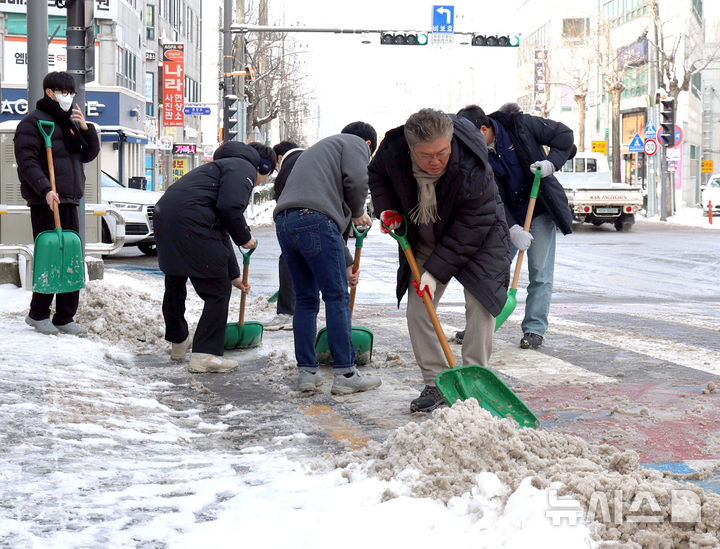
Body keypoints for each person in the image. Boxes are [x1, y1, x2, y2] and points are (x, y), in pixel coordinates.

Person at [368, 108, 511, 413]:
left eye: (442, 153)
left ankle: (475, 378)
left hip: (479, 238)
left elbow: (472, 226)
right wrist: (386, 208)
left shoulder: (473, 165)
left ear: (450, 143)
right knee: (419, 309)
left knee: (481, 304)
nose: (435, 161)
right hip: (423, 235)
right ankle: (435, 383)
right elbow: (377, 176)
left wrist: (434, 273)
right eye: (426, 155)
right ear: (410, 149)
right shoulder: (392, 151)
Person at [274, 122, 382, 395]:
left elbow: (326, 217)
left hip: (285, 222)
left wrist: (345, 262)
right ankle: (346, 373)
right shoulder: (356, 144)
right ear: (369, 145)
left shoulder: (320, 152)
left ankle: (307, 374)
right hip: (315, 220)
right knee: (336, 297)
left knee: (306, 299)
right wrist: (359, 210)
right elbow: (356, 183)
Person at [456, 104, 575, 350]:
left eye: (471, 136)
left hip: (539, 208)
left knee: (540, 272)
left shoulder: (520, 126)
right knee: (491, 271)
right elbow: (491, 195)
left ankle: (534, 329)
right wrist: (511, 228)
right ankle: (479, 326)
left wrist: (551, 163)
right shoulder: (475, 155)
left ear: (484, 128)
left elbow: (565, 137)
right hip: (506, 216)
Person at [154, 140, 277, 373]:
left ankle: (178, 343)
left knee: (175, 280)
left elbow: (219, 228)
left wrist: (234, 275)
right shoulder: (244, 168)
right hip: (191, 221)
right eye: (268, 174)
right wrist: (244, 237)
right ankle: (205, 355)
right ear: (263, 167)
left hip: (166, 217)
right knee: (217, 290)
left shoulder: (218, 168)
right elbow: (229, 208)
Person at [14, 71, 100, 337]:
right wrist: (45, 189)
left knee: (70, 255)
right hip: (46, 200)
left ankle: (65, 316)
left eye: (72, 93)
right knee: (51, 254)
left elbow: (87, 154)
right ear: (50, 92)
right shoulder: (32, 123)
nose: (69, 97)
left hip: (69, 198)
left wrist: (87, 129)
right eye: (64, 92)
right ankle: (38, 313)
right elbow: (27, 162)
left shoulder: (69, 123)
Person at [265, 140, 304, 331]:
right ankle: (303, 313)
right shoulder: (310, 158)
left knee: (289, 261)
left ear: (279, 158)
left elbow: (282, 199)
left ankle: (288, 313)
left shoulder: (289, 164)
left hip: (297, 219)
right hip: (326, 219)